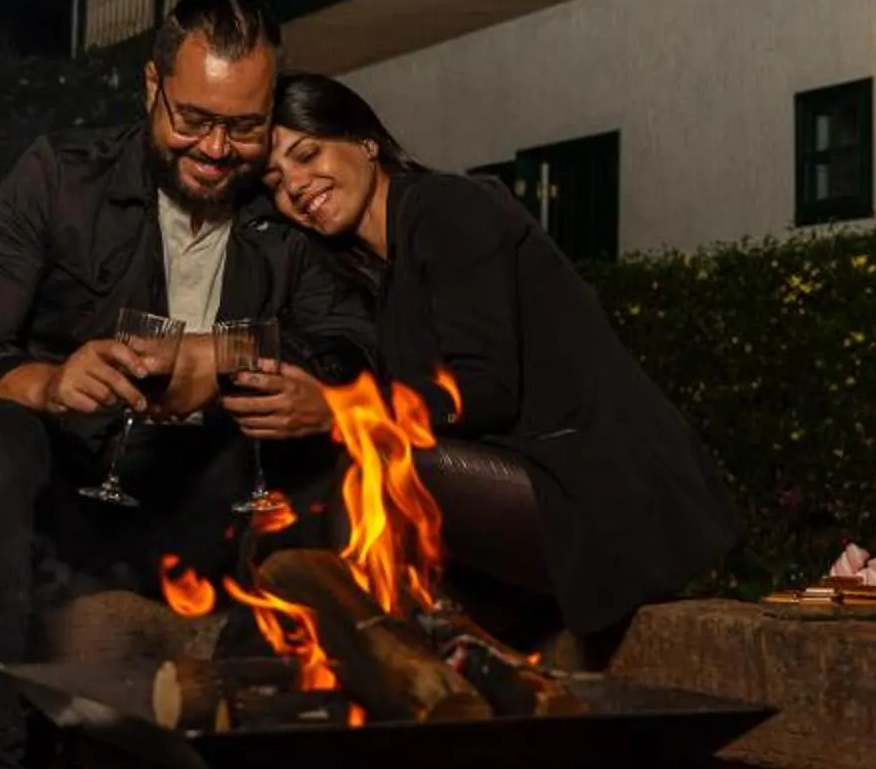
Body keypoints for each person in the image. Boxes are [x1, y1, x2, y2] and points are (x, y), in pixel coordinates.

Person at [0, 0, 374, 769]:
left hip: (216, 509)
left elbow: (357, 347)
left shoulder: (285, 212)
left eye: (242, 129)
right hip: (73, 504)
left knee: (340, 460)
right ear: (150, 86)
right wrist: (44, 381)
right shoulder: (57, 178)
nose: (215, 150)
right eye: (194, 118)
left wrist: (239, 359)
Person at [264, 72, 739, 660]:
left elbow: (486, 391)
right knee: (327, 505)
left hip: (606, 491)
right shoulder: (384, 267)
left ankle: (377, 673)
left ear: (365, 140)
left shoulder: (447, 207)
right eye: (276, 181)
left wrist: (339, 412)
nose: (295, 187)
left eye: (306, 154)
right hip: (538, 482)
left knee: (383, 459)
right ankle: (365, 675)